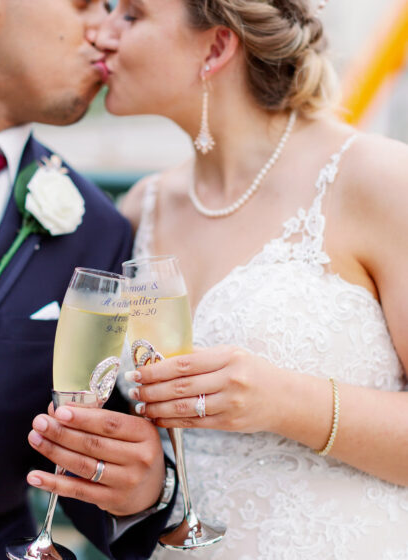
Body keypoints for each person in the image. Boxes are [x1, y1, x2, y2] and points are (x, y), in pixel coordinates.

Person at [95, 0, 408, 558]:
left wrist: (284, 401)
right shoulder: (142, 208)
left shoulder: (378, 180)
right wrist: (140, 484)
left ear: (215, 47)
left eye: (131, 16)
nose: (102, 33)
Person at [0, 1, 177, 559]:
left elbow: (82, 459)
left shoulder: (98, 230)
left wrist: (138, 491)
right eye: (85, 2)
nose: (106, 32)